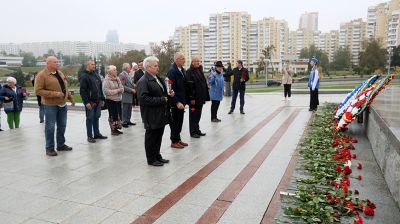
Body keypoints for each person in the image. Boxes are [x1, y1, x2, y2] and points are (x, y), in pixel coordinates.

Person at [137, 56, 174, 166]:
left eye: (157, 65)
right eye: (155, 66)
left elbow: (162, 92)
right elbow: (143, 99)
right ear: (148, 67)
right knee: (151, 137)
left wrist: (168, 94)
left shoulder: (157, 78)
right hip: (151, 115)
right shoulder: (143, 81)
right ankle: (151, 159)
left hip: (160, 113)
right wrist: (162, 99)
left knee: (158, 135)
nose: (158, 67)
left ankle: (157, 155)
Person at [35, 56, 75, 156]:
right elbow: (38, 91)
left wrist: (70, 98)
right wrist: (55, 94)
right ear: (48, 63)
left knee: (62, 126)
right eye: (55, 62)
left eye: (57, 62)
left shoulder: (60, 73)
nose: (58, 63)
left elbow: (64, 87)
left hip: (62, 104)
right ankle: (49, 148)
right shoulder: (41, 75)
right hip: (50, 105)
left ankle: (61, 145)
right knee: (50, 127)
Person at [80, 60, 108, 143]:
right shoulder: (84, 76)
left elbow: (100, 88)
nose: (94, 66)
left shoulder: (96, 75)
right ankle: (89, 136)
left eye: (94, 65)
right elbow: (83, 91)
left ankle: (96, 133)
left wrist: (102, 99)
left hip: (98, 100)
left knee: (96, 117)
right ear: (87, 65)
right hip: (90, 101)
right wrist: (86, 102)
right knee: (90, 118)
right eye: (92, 64)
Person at [167, 52, 188, 149]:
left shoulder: (182, 70)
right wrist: (176, 102)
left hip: (182, 100)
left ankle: (178, 139)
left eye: (184, 58)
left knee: (180, 122)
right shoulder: (172, 71)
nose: (184, 60)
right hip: (176, 102)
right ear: (177, 60)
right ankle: (174, 141)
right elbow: (170, 89)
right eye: (182, 58)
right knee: (175, 122)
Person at [185, 56, 209, 138]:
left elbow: (203, 81)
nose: (198, 63)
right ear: (192, 62)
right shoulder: (189, 72)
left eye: (199, 61)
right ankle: (193, 132)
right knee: (193, 115)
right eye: (196, 61)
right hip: (194, 99)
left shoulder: (199, 70)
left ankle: (197, 130)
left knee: (198, 115)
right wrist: (191, 98)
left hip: (200, 98)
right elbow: (189, 86)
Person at [103, 65, 124, 135]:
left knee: (118, 115)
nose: (116, 71)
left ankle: (117, 128)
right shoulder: (106, 80)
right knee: (113, 115)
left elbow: (122, 88)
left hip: (118, 99)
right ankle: (113, 130)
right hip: (111, 100)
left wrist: (120, 90)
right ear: (110, 72)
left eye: (116, 70)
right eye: (114, 70)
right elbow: (106, 91)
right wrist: (117, 90)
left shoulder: (117, 79)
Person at [119, 63, 136, 127]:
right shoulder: (122, 75)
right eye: (129, 67)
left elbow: (130, 83)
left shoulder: (128, 74)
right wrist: (131, 90)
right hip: (125, 94)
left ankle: (128, 120)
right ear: (126, 68)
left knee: (129, 108)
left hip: (130, 95)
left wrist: (134, 86)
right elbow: (122, 86)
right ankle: (124, 122)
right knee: (125, 108)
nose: (130, 68)